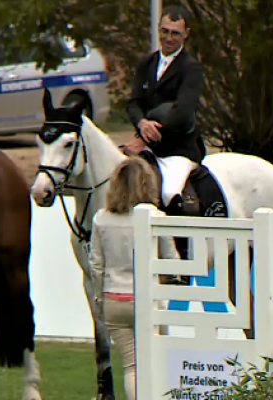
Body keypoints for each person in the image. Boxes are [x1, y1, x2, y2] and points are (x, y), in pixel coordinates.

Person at [88, 157, 181, 400]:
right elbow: (172, 261)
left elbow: (96, 265)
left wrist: (98, 300)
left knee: (131, 367)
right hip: (147, 300)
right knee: (153, 365)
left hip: (113, 299)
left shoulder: (101, 218)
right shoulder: (156, 216)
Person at [124, 5, 205, 215]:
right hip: (146, 146)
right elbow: (134, 102)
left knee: (169, 192)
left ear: (186, 34)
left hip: (177, 149)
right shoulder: (146, 63)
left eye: (175, 33)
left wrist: (145, 139)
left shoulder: (191, 68)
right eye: (165, 31)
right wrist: (142, 124)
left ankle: (178, 244)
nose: (169, 38)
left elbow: (182, 112)